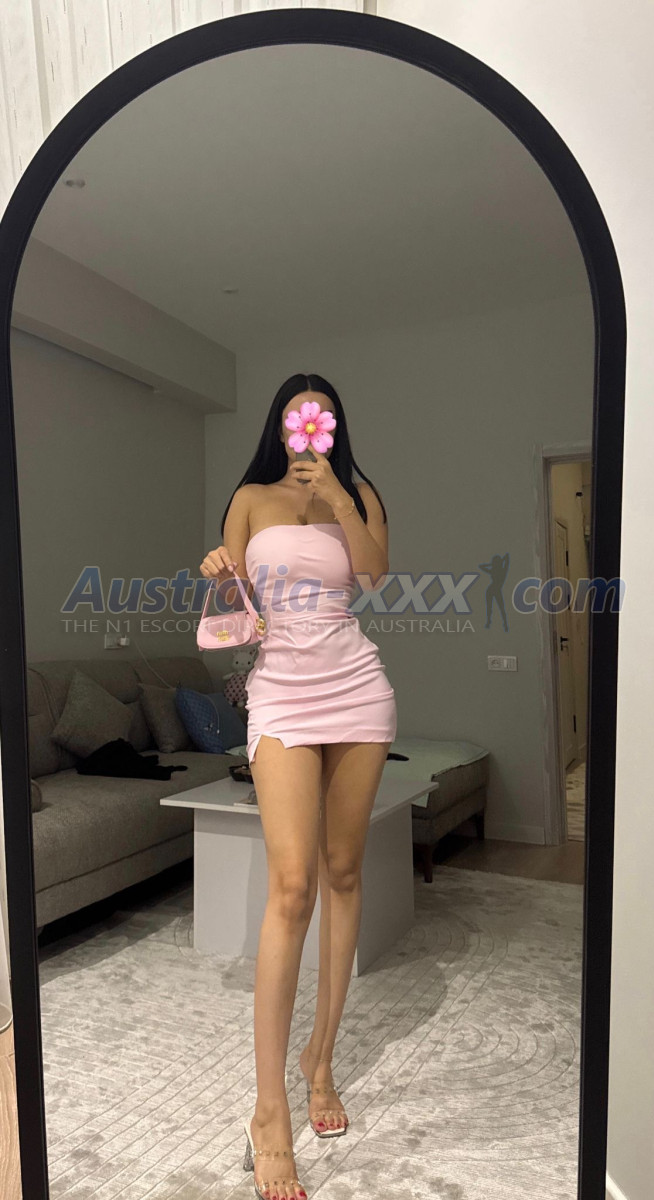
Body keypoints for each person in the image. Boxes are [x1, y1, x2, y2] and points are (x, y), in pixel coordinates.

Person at [199, 372, 397, 1200]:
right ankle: (269, 1109)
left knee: (343, 872)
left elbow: (376, 578)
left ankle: (321, 1062)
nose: (306, 431)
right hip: (280, 689)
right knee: (291, 887)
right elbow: (233, 613)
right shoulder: (248, 497)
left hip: (356, 688)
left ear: (334, 427)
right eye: (294, 419)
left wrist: (341, 501)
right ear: (277, 427)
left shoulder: (359, 493)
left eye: (320, 419)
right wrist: (218, 570)